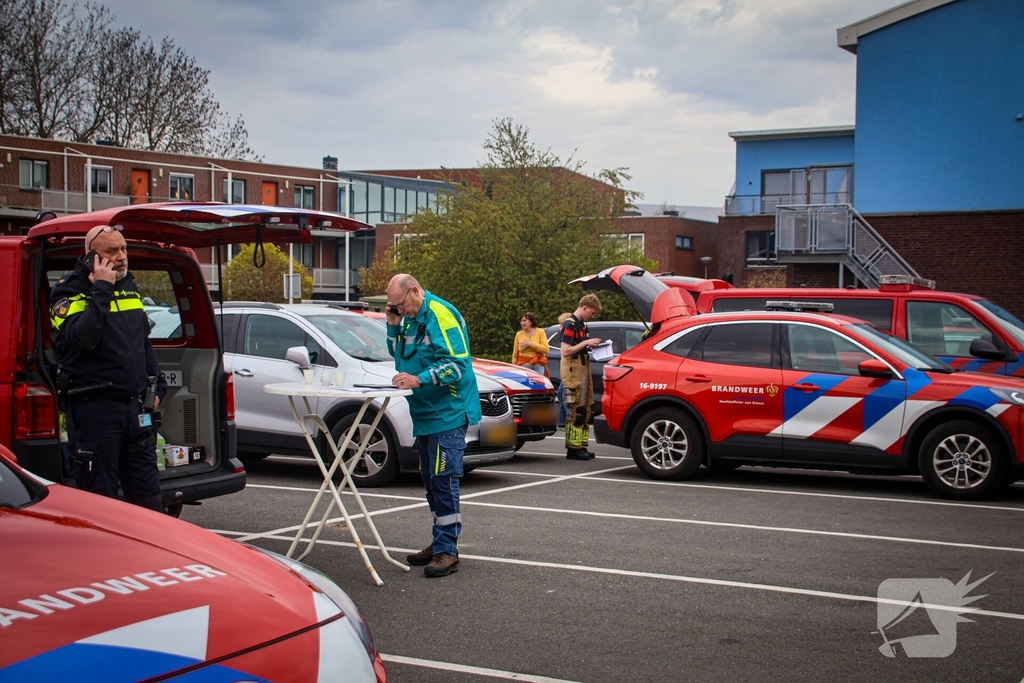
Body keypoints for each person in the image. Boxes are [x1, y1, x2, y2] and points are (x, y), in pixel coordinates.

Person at [49, 224, 167, 512]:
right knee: (101, 502)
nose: (122, 256)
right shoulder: (67, 293)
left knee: (149, 498)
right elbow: (82, 338)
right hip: (96, 411)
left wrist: (157, 383)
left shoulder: (129, 288)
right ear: (91, 257)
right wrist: (102, 287)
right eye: (112, 251)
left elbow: (143, 342)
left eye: (124, 248)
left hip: (135, 410)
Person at [386, 274, 481, 578]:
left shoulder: (440, 314)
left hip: (448, 412)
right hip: (426, 414)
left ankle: (447, 550)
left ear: (415, 291)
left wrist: (419, 379)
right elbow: (398, 354)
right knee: (430, 480)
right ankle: (439, 539)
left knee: (443, 479)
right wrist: (392, 325)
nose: (403, 311)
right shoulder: (409, 319)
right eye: (397, 308)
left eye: (402, 305)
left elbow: (457, 365)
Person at [560, 294, 603, 460]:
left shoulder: (582, 325)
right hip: (573, 371)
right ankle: (573, 448)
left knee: (586, 407)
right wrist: (586, 343)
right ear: (584, 307)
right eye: (592, 312)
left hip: (583, 368)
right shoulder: (570, 324)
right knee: (576, 409)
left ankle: (581, 445)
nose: (593, 316)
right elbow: (565, 351)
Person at [554, 312, 572, 429]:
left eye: (562, 325)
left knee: (566, 397)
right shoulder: (563, 338)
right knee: (560, 395)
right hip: (564, 371)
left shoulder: (569, 337)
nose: (560, 328)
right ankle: (561, 422)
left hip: (569, 372)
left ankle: (569, 422)